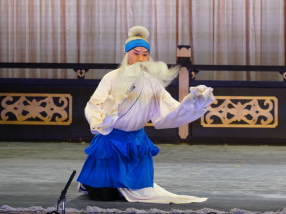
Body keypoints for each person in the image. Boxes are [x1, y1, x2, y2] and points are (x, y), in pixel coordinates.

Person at [77, 25, 215, 203]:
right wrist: (110, 109)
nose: (141, 58)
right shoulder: (111, 78)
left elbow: (170, 108)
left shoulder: (151, 82)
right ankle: (97, 184)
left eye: (145, 54)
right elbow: (95, 104)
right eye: (136, 53)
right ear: (126, 54)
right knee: (103, 196)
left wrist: (194, 102)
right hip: (111, 141)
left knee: (133, 191)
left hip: (135, 141)